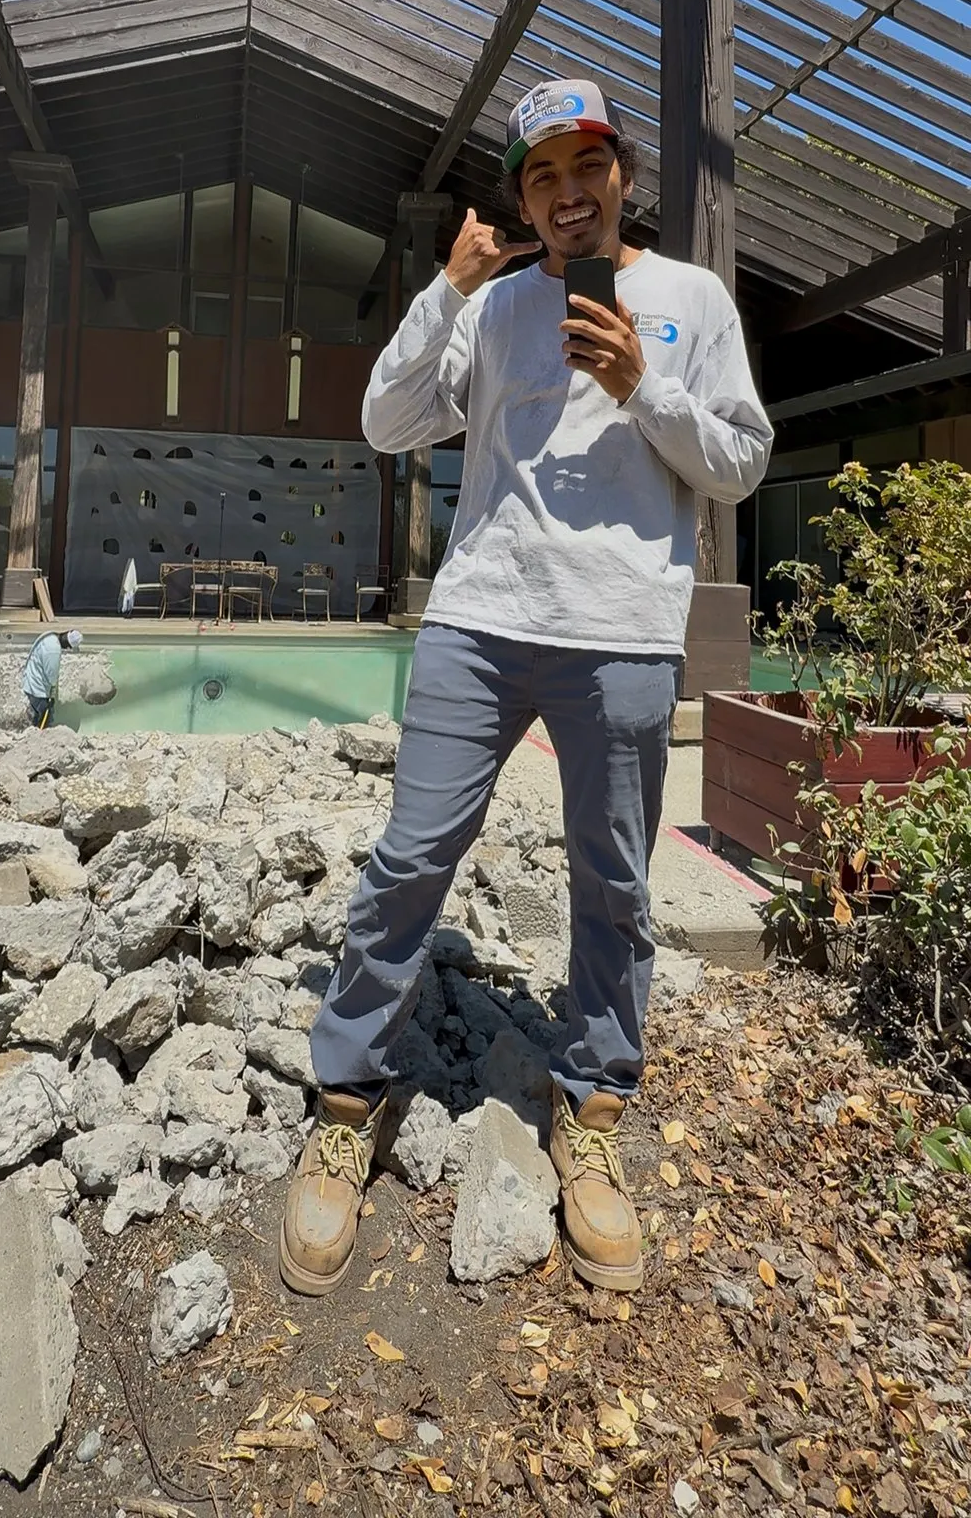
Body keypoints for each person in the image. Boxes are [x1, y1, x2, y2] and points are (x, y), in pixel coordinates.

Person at [280, 76, 773, 1299]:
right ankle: (345, 1101)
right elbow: (388, 421)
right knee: (411, 856)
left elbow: (743, 461)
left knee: (614, 882)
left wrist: (643, 385)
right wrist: (446, 291)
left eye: (585, 165)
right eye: (541, 175)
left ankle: (593, 1107)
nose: (566, 192)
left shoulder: (691, 300)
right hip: (481, 618)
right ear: (522, 197)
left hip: (622, 632)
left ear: (623, 176)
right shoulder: (495, 305)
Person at [22, 627, 83, 728]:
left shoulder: (49, 637)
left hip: (31, 683)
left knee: (37, 716)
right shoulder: (53, 650)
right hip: (38, 689)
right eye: (68, 646)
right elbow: (51, 675)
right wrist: (52, 695)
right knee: (46, 717)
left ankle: (33, 730)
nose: (67, 649)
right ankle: (39, 734)